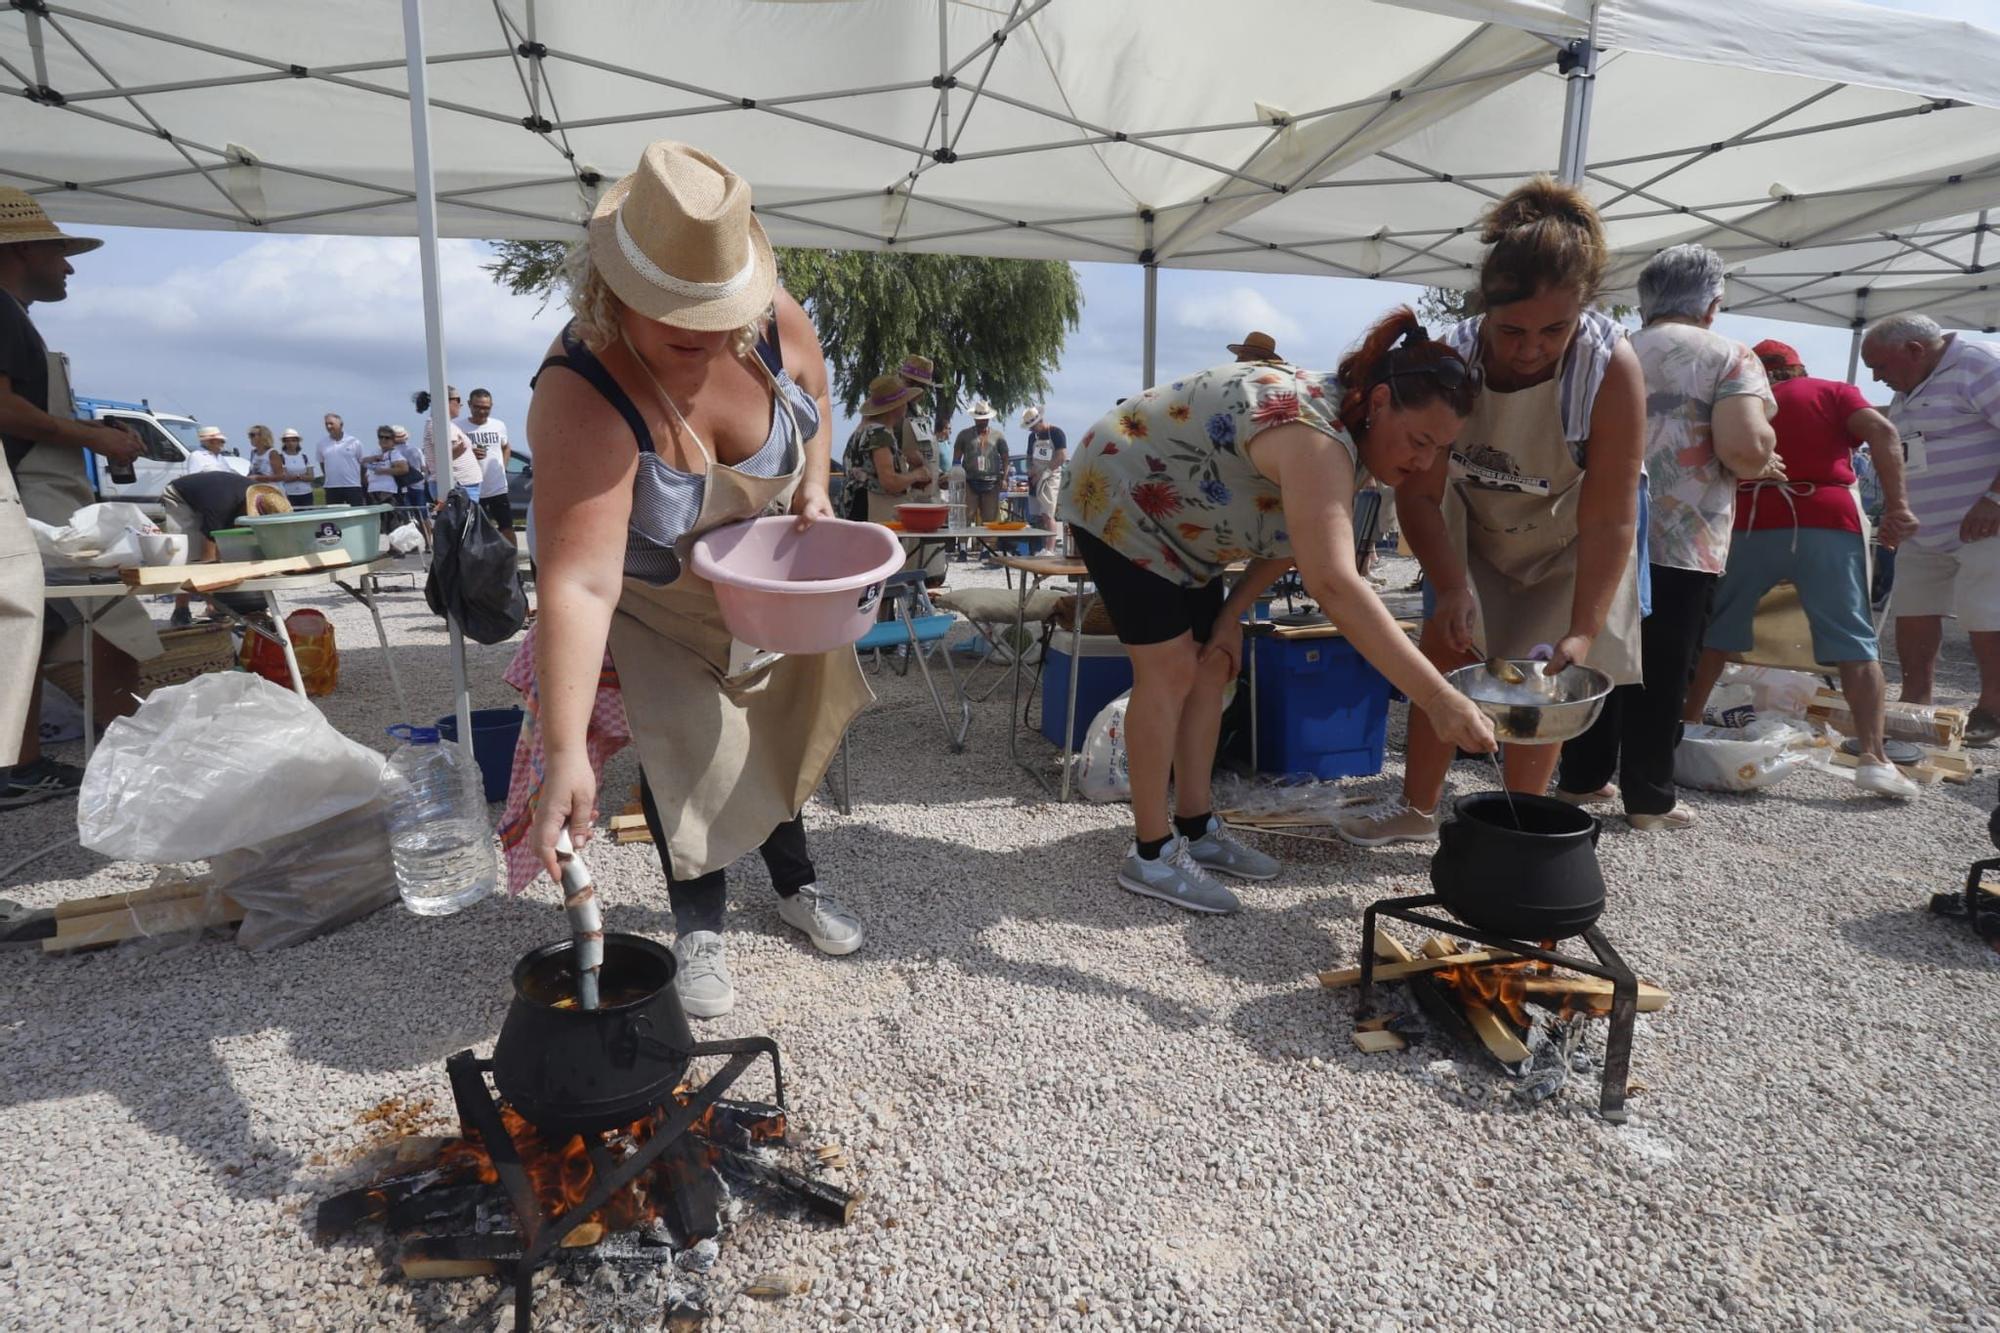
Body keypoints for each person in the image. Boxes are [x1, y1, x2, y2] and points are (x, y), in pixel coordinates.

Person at [526, 140, 866, 1019]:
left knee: (779, 748)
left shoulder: (768, 321)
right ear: (619, 296)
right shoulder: (582, 391)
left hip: (773, 596)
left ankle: (797, 887)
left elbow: (818, 396)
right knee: (694, 762)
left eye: (727, 320)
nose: (717, 344)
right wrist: (565, 750)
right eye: (687, 332)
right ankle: (701, 925)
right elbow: (579, 582)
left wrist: (819, 483)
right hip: (663, 613)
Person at [1058, 307, 1495, 912]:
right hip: (1122, 495)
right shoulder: (1317, 436)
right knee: (1172, 671)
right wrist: (1440, 698)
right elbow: (1335, 584)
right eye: (1420, 441)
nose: (1424, 463)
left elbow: (1291, 537)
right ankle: (1151, 853)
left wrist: (1232, 615)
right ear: (1381, 400)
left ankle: (1196, 826)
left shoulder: (1356, 434)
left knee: (1212, 666)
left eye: (1440, 450)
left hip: (1186, 524)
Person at [1338, 177, 1646, 847]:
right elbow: (1419, 492)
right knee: (1444, 651)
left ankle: (1516, 826)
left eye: (1553, 330)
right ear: (1486, 309)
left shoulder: (1609, 369)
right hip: (1472, 527)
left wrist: (1585, 630)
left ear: (1584, 310)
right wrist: (1450, 584)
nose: (1531, 347)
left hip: (1568, 537)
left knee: (1545, 681)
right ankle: (1417, 810)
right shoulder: (1458, 358)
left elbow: (1611, 516)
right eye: (1513, 330)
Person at [1550, 245, 1780, 826]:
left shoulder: (1610, 348)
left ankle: (1581, 778)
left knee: (1597, 654)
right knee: (1664, 667)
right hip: (1683, 535)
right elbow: (1742, 446)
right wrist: (1764, 459)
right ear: (1713, 304)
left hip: (1597, 527)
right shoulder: (1730, 355)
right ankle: (1649, 798)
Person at [1682, 340, 1920, 799]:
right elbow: (1883, 431)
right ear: (1799, 368)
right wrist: (1898, 507)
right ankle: (1874, 757)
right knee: (1855, 640)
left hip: (1752, 518)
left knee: (1715, 635)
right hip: (1826, 516)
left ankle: (1683, 728)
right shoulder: (1832, 391)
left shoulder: (1740, 400)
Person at [0, 187, 146, 808]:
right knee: (118, 614)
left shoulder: (15, 317)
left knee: (23, 635)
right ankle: (129, 762)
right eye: (59, 251)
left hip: (36, 497)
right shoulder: (1, 313)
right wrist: (92, 435)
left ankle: (20, 764)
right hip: (29, 500)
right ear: (24, 248)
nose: (69, 265)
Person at [1860, 313, 2000, 745]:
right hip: (1924, 525)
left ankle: (1992, 708)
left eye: (1881, 367)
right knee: (1914, 610)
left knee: (1985, 614)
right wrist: (1894, 511)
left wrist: (1995, 499)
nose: (1877, 378)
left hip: (1984, 522)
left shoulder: (1979, 364)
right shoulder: (1911, 383)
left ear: (1915, 350)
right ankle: (1915, 702)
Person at [162, 473, 289, 626]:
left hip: (212, 494)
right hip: (179, 495)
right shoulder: (221, 505)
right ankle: (182, 608)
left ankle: (214, 606)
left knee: (230, 546)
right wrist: (213, 589)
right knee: (187, 553)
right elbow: (208, 550)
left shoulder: (256, 500)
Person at [841, 374, 931, 522]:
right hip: (872, 513)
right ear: (896, 407)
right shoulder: (879, 434)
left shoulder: (861, 431)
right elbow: (889, 482)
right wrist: (917, 474)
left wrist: (907, 480)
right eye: (904, 402)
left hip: (857, 511)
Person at [458, 387, 513, 535]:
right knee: (473, 530)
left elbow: (506, 447)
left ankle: (510, 558)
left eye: (486, 408)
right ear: (469, 404)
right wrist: (469, 454)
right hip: (472, 488)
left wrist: (503, 467)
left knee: (506, 526)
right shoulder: (458, 427)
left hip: (497, 487)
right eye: (477, 407)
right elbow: (451, 455)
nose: (482, 411)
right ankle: (476, 558)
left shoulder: (498, 425)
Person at [418, 388, 480, 505]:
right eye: (458, 400)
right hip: (456, 486)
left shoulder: (444, 424)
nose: (461, 404)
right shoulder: (438, 424)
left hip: (462, 485)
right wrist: (461, 449)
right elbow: (445, 455)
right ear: (445, 401)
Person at [956, 401, 1009, 529]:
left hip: (992, 482)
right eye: (980, 419)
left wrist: (1005, 479)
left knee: (990, 518)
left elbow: (1006, 458)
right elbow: (956, 459)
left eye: (985, 419)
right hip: (969, 481)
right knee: (967, 515)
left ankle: (987, 547)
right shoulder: (964, 435)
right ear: (974, 419)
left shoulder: (998, 436)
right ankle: (963, 546)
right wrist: (956, 478)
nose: (982, 422)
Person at [1022, 405, 1067, 553]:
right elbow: (1029, 457)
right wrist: (1030, 470)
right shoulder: (1031, 438)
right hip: (1036, 477)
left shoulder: (1056, 433)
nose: (1032, 430)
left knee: (1048, 514)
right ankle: (1039, 547)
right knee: (1037, 516)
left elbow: (1061, 456)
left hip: (1050, 476)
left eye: (1033, 426)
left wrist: (1045, 472)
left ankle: (1050, 548)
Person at [362, 425, 408, 534]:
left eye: (387, 438)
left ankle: (395, 546)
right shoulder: (375, 452)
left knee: (391, 520)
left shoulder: (394, 453)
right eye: (380, 437)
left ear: (392, 440)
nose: (383, 440)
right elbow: (362, 462)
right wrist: (372, 459)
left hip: (388, 490)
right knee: (378, 522)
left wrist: (383, 470)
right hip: (373, 489)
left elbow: (404, 468)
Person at [317, 412, 364, 506]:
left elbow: (363, 463)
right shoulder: (321, 444)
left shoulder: (354, 442)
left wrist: (359, 480)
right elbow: (322, 463)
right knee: (334, 517)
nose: (329, 426)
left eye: (331, 423)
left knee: (355, 514)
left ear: (341, 425)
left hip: (352, 486)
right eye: (326, 424)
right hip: (331, 487)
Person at [265, 426, 316, 503]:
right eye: (287, 441)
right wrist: (301, 476)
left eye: (293, 440)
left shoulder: (304, 457)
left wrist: (295, 477)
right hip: (289, 494)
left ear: (297, 442)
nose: (291, 443)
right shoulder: (281, 457)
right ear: (284, 443)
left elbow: (311, 477)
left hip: (306, 493)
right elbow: (284, 477)